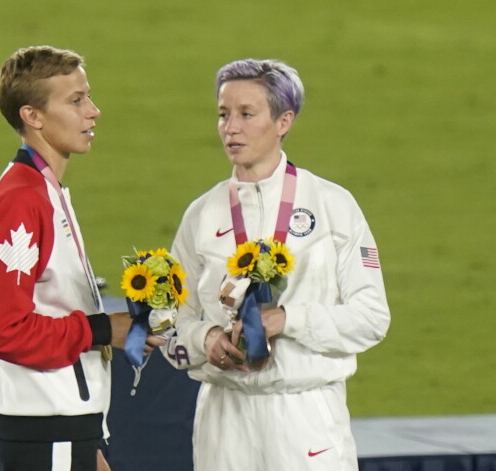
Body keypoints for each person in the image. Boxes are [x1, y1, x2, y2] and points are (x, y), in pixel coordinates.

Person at [161, 58, 391, 470]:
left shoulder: (333, 206)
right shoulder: (202, 215)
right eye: (223, 114)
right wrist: (206, 338)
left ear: (284, 121)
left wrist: (287, 320)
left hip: (304, 418)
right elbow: (168, 322)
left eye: (247, 114)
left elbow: (371, 317)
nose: (231, 127)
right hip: (224, 419)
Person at [0, 45, 133, 471]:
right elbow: (2, 331)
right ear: (33, 116)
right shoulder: (22, 201)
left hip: (67, 425)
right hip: (48, 428)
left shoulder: (44, 190)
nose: (93, 111)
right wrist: (101, 329)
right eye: (76, 100)